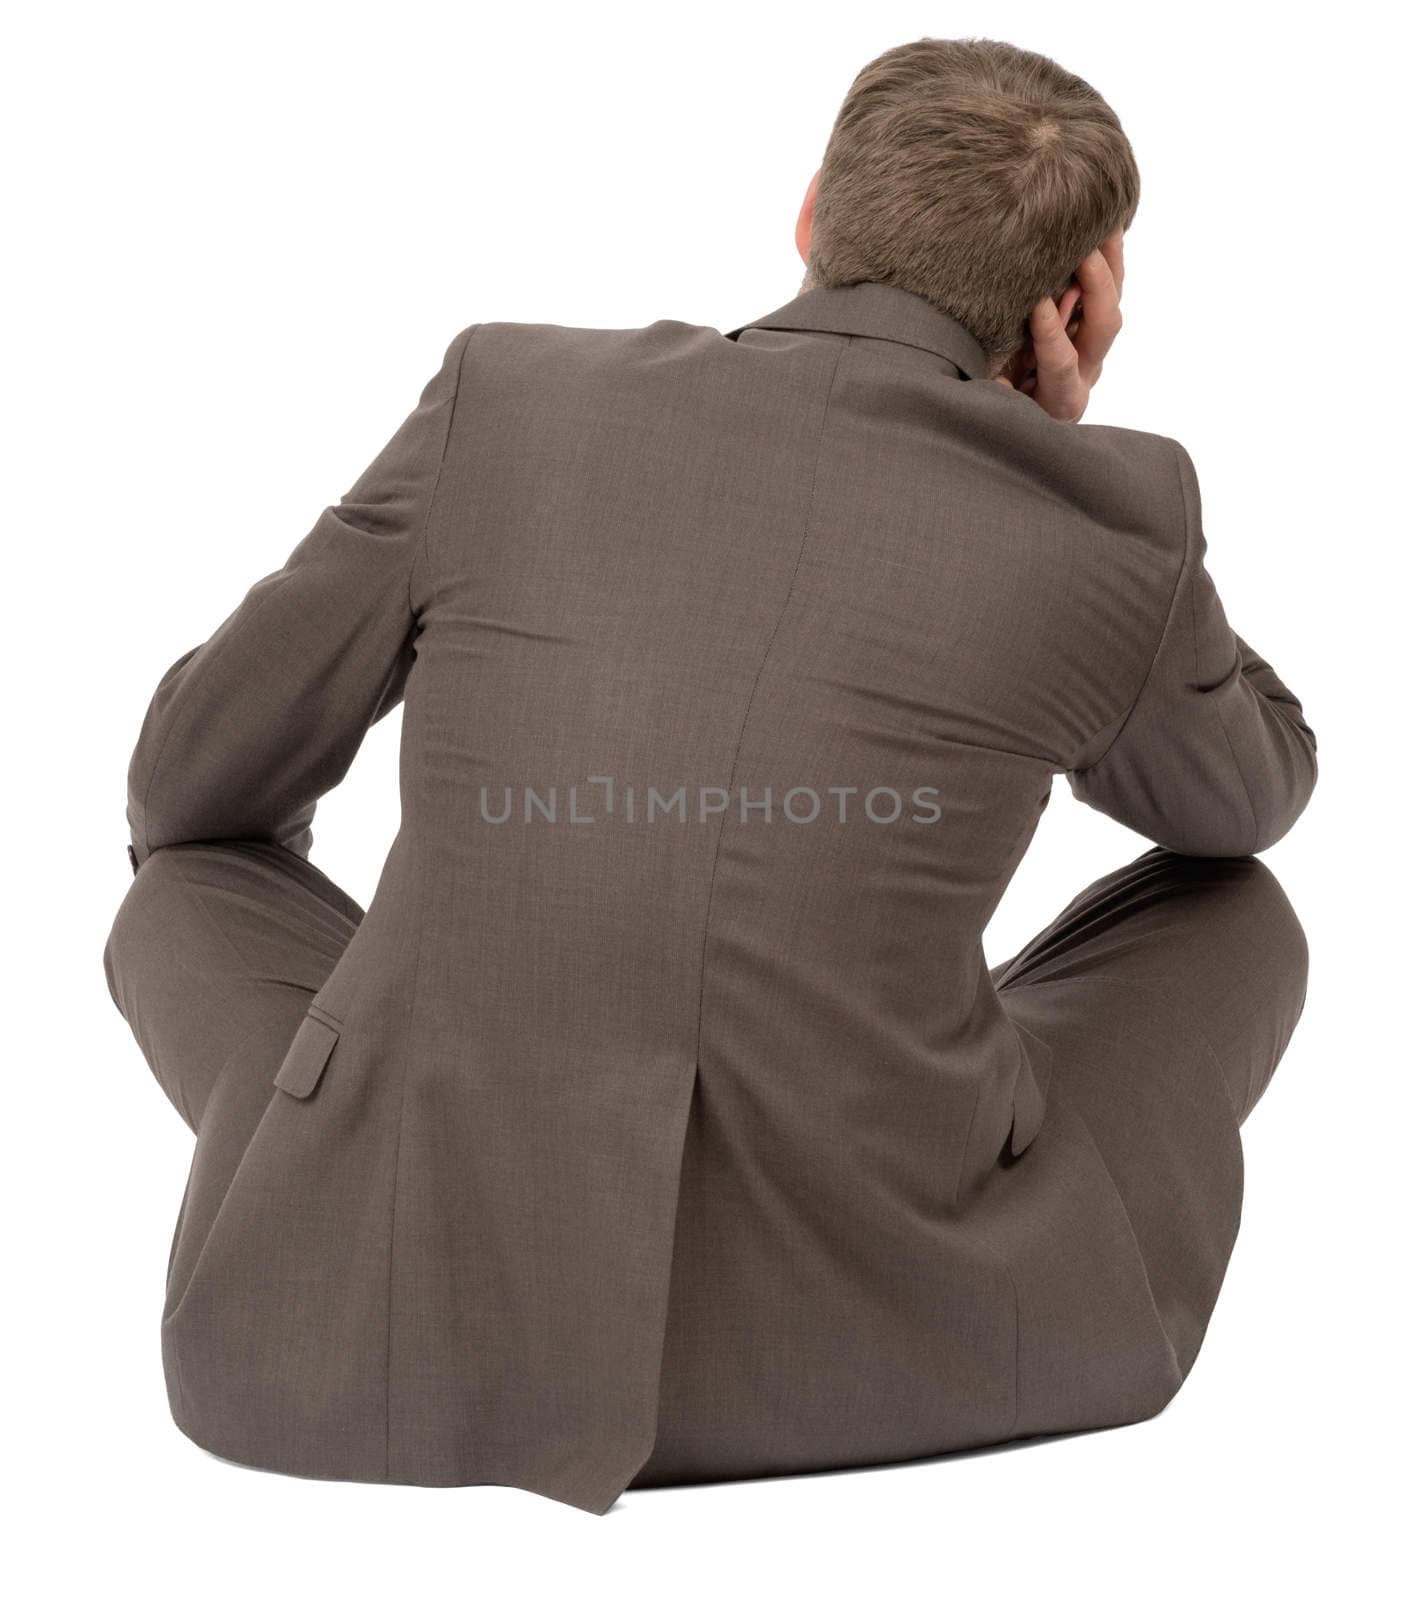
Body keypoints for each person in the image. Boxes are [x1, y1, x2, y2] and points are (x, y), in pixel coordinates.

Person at [102, 36, 1315, 1515]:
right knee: (1237, 912)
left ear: (810, 215)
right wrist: (1075, 479)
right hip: (909, 1331)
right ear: (1075, 301)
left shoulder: (512, 394)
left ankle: (360, 1194)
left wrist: (400, 999)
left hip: (375, 1332)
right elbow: (1240, 802)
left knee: (182, 886)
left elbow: (185, 788)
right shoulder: (1112, 510)